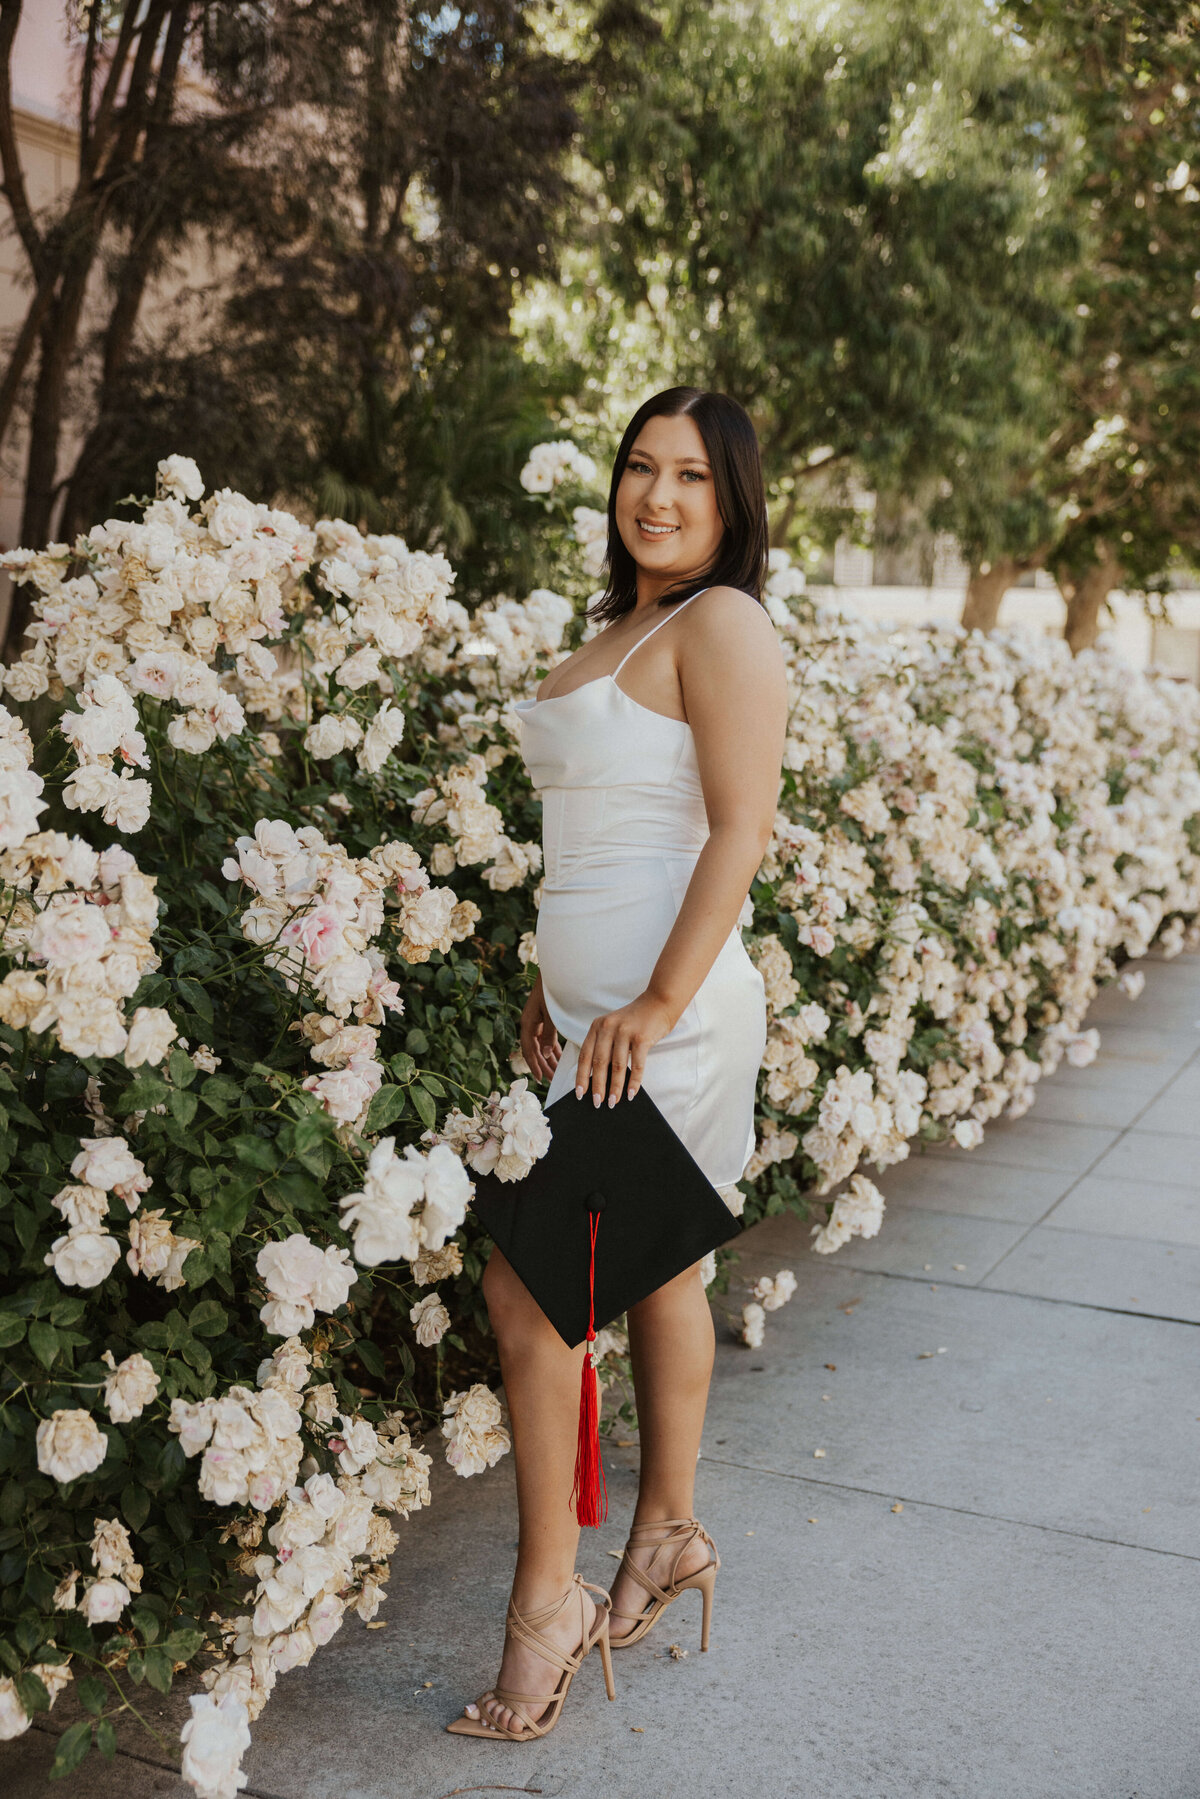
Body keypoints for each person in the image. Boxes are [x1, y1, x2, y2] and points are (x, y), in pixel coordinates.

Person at [446, 386, 788, 1740]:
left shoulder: (726, 622)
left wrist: (650, 996)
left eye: (691, 477)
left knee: (533, 1296)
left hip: (675, 1014)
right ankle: (665, 1537)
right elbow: (595, 830)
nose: (658, 496)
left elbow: (738, 831)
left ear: (734, 498)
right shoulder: (616, 629)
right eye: (640, 469)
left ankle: (548, 1603)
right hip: (589, 1012)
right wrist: (551, 981)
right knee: (659, 1273)